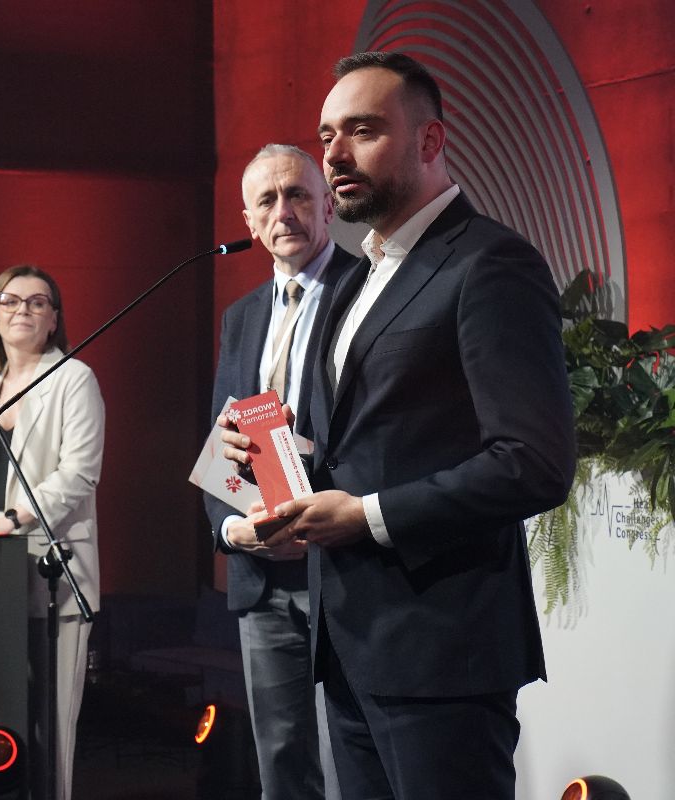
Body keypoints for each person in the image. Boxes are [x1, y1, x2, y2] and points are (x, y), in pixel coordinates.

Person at [222, 52, 575, 799]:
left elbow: (533, 462)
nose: (335, 155)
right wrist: (271, 458)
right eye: (327, 136)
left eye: (363, 131)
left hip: (442, 649)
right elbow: (367, 440)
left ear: (430, 140)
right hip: (350, 646)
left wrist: (367, 516)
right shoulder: (367, 274)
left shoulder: (490, 263)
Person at [205, 143, 356, 800]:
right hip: (262, 576)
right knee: (282, 769)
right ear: (248, 219)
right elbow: (221, 446)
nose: (283, 211)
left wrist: (314, 461)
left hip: (343, 564)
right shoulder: (241, 316)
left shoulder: (365, 290)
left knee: (357, 762)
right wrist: (232, 530)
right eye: (266, 200)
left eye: (297, 194)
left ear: (327, 205)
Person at [0, 265, 104, 800]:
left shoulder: (74, 378)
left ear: (54, 319)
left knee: (51, 733)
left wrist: (8, 520)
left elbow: (78, 474)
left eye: (37, 302)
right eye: (9, 301)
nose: (22, 310)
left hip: (53, 575)